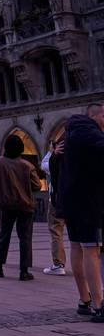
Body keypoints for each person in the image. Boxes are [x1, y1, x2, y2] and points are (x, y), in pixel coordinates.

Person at [57, 103, 104, 320]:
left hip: (72, 200)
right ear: (95, 115)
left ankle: (84, 298)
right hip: (87, 200)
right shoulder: (89, 132)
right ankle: (98, 304)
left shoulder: (71, 133)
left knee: (77, 246)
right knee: (91, 249)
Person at [0, 135, 41, 280]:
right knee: (25, 237)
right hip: (25, 206)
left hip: (6, 205)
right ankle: (24, 271)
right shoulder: (27, 166)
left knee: (4, 236)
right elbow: (37, 185)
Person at [42, 139, 66, 275]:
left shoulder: (55, 161)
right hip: (75, 202)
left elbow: (44, 165)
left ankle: (58, 264)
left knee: (56, 231)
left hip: (57, 201)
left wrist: (51, 152)